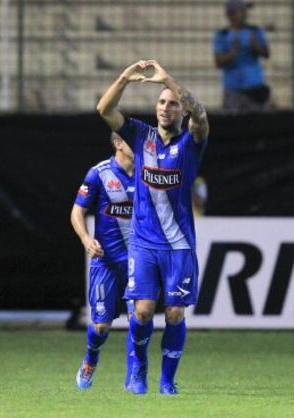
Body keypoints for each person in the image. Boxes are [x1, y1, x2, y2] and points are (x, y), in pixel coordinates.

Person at [97, 59, 209, 395]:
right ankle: (137, 369)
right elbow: (104, 109)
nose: (166, 107)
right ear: (154, 108)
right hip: (144, 243)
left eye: (172, 103)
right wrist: (124, 78)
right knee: (143, 312)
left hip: (178, 246)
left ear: (179, 111)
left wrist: (169, 80)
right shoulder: (139, 135)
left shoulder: (191, 142)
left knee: (174, 313)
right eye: (161, 102)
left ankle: (167, 381)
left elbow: (201, 116)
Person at [71, 132, 135, 390]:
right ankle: (91, 359)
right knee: (100, 327)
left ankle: (135, 378)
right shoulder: (99, 174)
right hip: (106, 263)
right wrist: (86, 239)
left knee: (139, 319)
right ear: (118, 143)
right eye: (131, 139)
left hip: (137, 263)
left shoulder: (147, 173)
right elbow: (77, 211)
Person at [213, 0, 270, 113]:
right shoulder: (222, 34)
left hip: (255, 88)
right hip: (233, 90)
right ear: (230, 14)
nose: (245, 14)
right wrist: (233, 53)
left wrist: (255, 46)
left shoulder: (254, 31)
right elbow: (218, 62)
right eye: (241, 11)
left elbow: (266, 53)